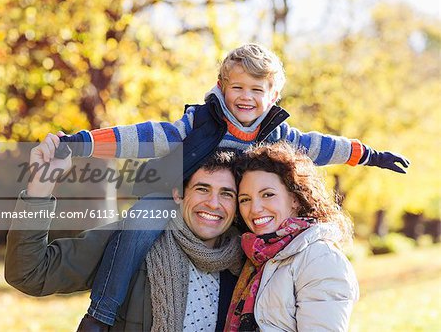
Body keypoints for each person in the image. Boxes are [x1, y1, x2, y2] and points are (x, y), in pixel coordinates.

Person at [52, 43, 406, 327]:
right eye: (237, 87)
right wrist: (82, 142)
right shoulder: (199, 123)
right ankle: (101, 313)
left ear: (274, 96)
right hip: (179, 195)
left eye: (257, 89)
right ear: (221, 87)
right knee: (138, 223)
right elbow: (143, 137)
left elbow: (322, 146)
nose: (246, 97)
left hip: (235, 206)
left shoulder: (279, 133)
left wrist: (370, 155)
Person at [4, 135, 244, 331]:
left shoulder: (244, 265)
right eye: (202, 189)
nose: (213, 203)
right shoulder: (131, 240)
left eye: (226, 193)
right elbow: (29, 273)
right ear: (178, 194)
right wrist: (40, 187)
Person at [225, 142, 359, 331]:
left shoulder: (319, 258)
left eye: (268, 194)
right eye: (245, 199)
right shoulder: (256, 258)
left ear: (295, 198)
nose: (255, 209)